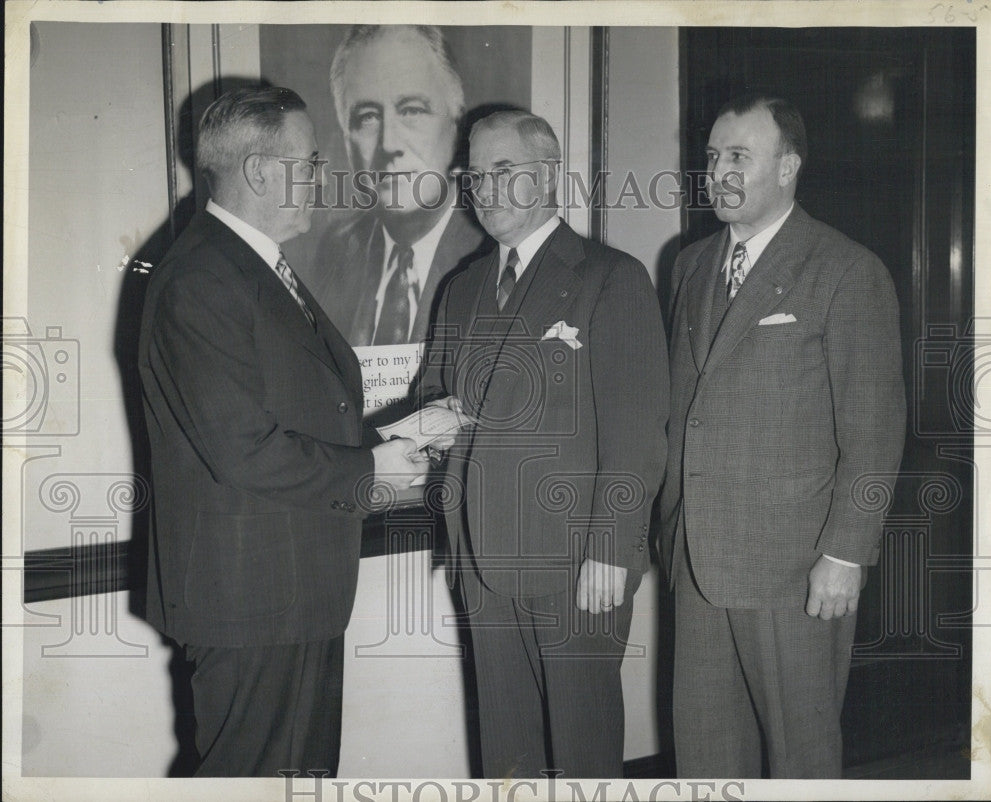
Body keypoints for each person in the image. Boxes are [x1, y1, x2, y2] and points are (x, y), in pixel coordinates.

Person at [137, 86, 428, 777]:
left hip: (293, 588)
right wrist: (372, 471)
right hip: (251, 596)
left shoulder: (250, 265)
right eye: (310, 160)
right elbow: (240, 446)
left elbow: (300, 410)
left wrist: (387, 440)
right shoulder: (202, 277)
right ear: (262, 172)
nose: (322, 176)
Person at [660, 94, 906, 778]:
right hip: (699, 559)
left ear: (789, 167)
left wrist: (847, 554)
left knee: (801, 761)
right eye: (712, 157)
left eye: (739, 156)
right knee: (707, 759)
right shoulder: (689, 266)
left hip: (795, 568)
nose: (719, 172)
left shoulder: (845, 271)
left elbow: (875, 429)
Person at [418, 110, 670, 778]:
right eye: (476, 175)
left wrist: (611, 552)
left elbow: (637, 433)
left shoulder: (610, 278)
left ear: (549, 174)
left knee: (581, 752)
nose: (487, 190)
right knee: (508, 753)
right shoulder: (462, 287)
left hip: (575, 565)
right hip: (481, 560)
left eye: (504, 171)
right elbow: (436, 405)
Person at [311, 24, 488, 347]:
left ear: (459, 125)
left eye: (411, 110)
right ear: (346, 140)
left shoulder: (494, 251)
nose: (388, 143)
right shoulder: (337, 248)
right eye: (367, 117)